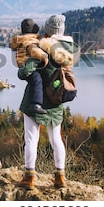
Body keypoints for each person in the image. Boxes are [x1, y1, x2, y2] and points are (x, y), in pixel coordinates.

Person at [17, 14, 78, 190]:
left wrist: (32, 59)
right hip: (56, 101)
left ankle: (30, 177)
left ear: (49, 30)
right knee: (56, 139)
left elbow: (23, 74)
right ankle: (60, 177)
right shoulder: (69, 50)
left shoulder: (43, 48)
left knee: (31, 139)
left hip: (35, 103)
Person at [10, 18, 49, 115]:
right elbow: (36, 53)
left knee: (34, 82)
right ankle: (36, 104)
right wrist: (45, 58)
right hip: (28, 66)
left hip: (22, 65)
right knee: (37, 81)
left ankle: (34, 103)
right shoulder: (30, 42)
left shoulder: (22, 39)